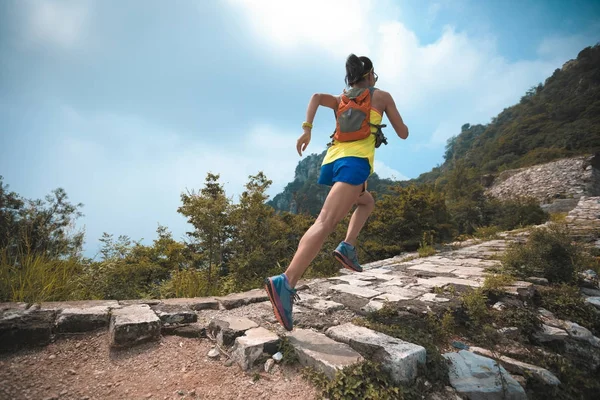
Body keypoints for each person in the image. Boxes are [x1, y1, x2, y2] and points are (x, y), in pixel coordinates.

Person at [264, 54, 409, 331]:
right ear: (371, 75)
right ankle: (286, 281)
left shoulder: (342, 99)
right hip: (355, 164)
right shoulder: (382, 96)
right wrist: (397, 124)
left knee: (366, 201)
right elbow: (402, 133)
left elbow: (317, 96)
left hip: (333, 161)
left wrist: (306, 131)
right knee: (325, 222)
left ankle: (348, 246)